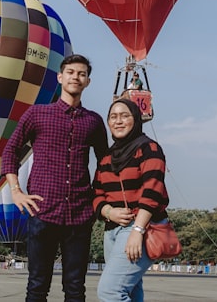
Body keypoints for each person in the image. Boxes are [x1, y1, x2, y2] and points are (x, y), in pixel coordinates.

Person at [1, 54, 109, 302]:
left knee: (75, 288)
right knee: (37, 286)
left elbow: (105, 163)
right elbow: (11, 150)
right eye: (71, 72)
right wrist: (15, 190)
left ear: (88, 82)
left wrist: (96, 198)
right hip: (43, 211)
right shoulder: (37, 114)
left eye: (81, 74)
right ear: (60, 77)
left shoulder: (93, 121)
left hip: (80, 215)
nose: (76, 77)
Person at [92, 99, 169, 302]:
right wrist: (108, 211)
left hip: (140, 227)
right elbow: (96, 193)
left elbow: (153, 191)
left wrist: (137, 230)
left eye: (125, 116)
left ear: (135, 119)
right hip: (111, 232)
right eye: (113, 117)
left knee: (110, 292)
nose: (118, 121)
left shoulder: (149, 149)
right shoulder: (106, 158)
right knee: (131, 290)